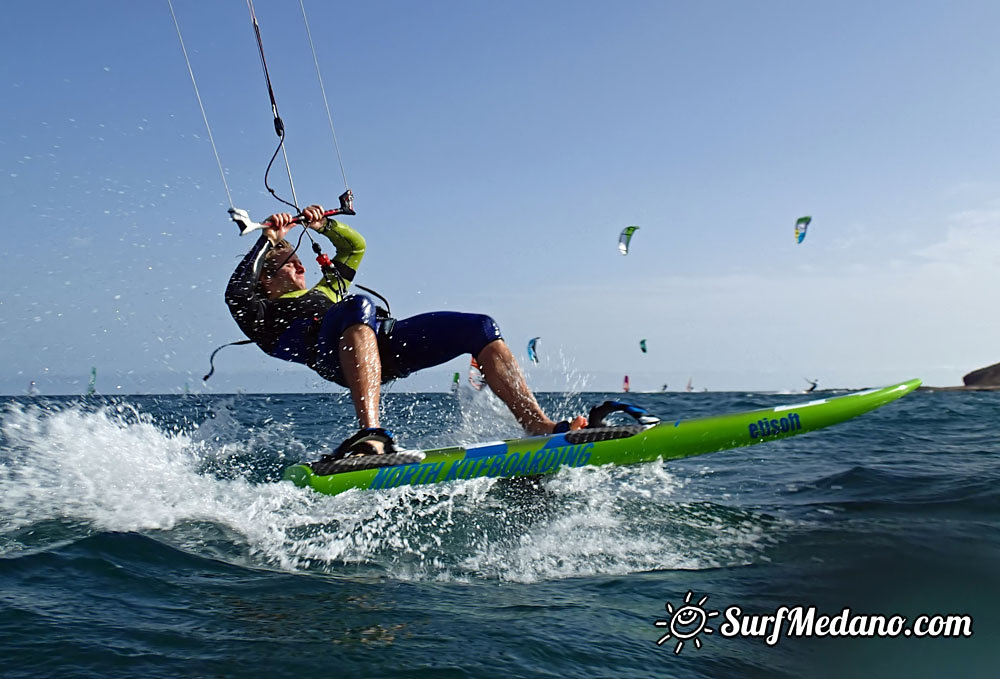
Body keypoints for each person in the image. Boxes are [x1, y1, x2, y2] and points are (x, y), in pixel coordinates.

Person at [225, 204, 585, 456]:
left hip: (386, 344)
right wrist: (268, 239)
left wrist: (323, 226)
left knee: (480, 327)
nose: (301, 269)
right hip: (336, 358)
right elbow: (236, 291)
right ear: (267, 281)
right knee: (357, 305)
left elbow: (355, 246)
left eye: (301, 263)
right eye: (290, 267)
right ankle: (370, 434)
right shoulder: (263, 315)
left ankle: (537, 424)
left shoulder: (327, 289)